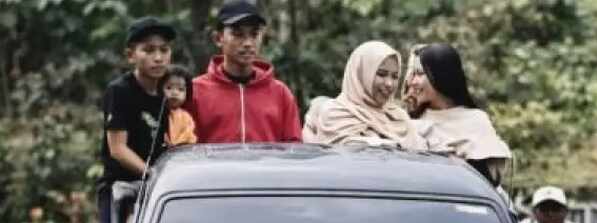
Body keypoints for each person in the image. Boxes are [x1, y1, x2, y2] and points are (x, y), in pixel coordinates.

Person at [96, 16, 174, 223]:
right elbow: (117, 149)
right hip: (121, 187)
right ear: (131, 55)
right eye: (149, 50)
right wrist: (154, 174)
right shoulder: (119, 91)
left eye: (163, 50)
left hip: (157, 187)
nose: (158, 58)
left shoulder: (170, 93)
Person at [187, 1, 302, 144]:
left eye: (254, 34)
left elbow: (293, 149)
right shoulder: (195, 91)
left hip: (268, 166)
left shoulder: (281, 93)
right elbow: (184, 150)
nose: (248, 43)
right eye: (238, 34)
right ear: (218, 38)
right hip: (213, 167)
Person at [303, 41, 446, 150]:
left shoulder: (398, 116)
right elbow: (350, 152)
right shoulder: (336, 113)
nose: (389, 84)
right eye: (381, 74)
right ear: (360, 74)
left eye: (395, 76)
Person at [402, 43, 511, 185]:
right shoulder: (409, 122)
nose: (413, 82)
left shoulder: (476, 121)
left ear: (440, 75)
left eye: (420, 74)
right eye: (413, 75)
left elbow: (488, 182)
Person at [161, 65, 197, 147]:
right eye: (169, 88)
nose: (175, 93)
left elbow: (189, 137)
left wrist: (176, 144)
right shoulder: (156, 112)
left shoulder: (186, 117)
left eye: (181, 89)